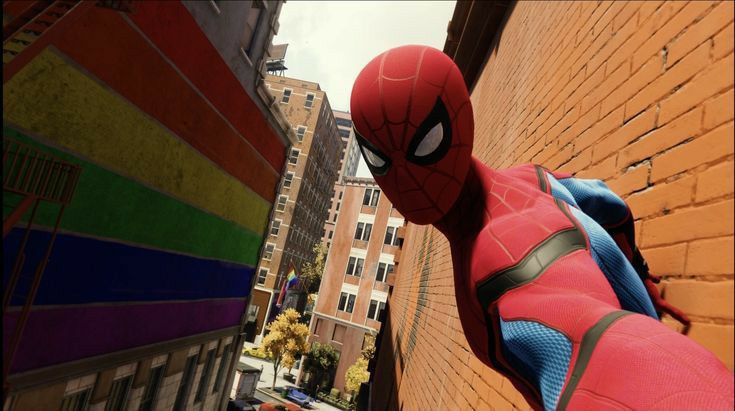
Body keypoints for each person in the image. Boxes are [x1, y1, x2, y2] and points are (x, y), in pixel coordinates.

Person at [350, 45, 733, 410]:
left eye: (425, 143)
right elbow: (608, 204)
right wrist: (640, 276)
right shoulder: (532, 180)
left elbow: (597, 353)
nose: (403, 178)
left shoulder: (504, 268)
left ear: (458, 121)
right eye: (380, 158)